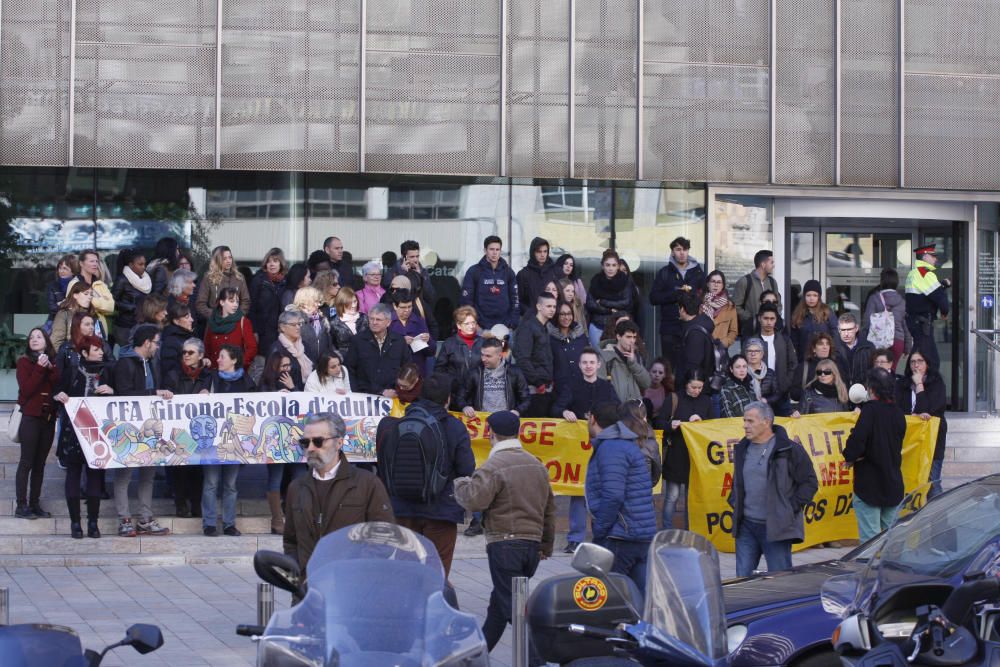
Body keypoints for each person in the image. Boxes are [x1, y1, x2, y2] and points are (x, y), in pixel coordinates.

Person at [454, 410, 555, 665]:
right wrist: (546, 544)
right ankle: (475, 657)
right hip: (531, 546)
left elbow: (475, 500)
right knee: (499, 606)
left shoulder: (493, 465)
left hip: (505, 544)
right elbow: (550, 509)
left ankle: (537, 661)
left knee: (513, 609)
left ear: (491, 434)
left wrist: (460, 484)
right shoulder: (536, 464)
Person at [375, 373, 475, 577]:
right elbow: (466, 468)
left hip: (402, 508)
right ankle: (432, 607)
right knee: (436, 573)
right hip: (441, 510)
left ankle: (406, 607)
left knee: (406, 571)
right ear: (447, 400)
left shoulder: (396, 424)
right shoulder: (455, 427)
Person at [283, 412, 395, 573]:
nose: (311, 448)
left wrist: (355, 571)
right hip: (309, 591)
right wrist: (298, 576)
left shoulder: (368, 484)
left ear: (339, 443)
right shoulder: (296, 488)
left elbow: (384, 540)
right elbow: (291, 541)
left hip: (351, 590)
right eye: (305, 442)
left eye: (318, 441)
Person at [729, 401, 818, 577]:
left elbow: (810, 483)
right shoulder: (742, 448)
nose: (745, 426)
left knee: (781, 582)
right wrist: (734, 501)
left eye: (750, 421)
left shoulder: (789, 449)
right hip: (746, 527)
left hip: (777, 528)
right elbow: (738, 481)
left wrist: (788, 508)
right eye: (744, 421)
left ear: (766, 422)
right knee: (742, 583)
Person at [551, 347, 619, 552]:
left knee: (605, 493)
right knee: (578, 493)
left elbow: (618, 411)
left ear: (598, 365)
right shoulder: (571, 386)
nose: (588, 366)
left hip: (604, 448)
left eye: (592, 362)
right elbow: (555, 409)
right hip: (578, 451)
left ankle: (605, 536)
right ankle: (575, 539)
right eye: (585, 363)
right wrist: (565, 411)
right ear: (580, 365)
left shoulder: (607, 387)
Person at [585, 401, 657, 591]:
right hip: (639, 534)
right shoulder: (625, 444)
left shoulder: (611, 448)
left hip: (622, 536)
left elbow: (613, 495)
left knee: (609, 598)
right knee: (640, 600)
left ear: (592, 419)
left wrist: (600, 529)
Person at [111, 324, 172, 537]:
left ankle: (145, 518)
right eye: (156, 342)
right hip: (129, 430)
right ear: (146, 342)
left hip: (149, 428)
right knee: (124, 475)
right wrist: (153, 392)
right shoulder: (125, 364)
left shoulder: (151, 363)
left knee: (148, 475)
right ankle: (124, 519)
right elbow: (125, 394)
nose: (157, 346)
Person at [53, 335, 111, 537]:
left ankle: (93, 523)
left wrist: (112, 390)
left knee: (95, 475)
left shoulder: (108, 371)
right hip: (73, 432)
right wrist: (59, 396)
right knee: (73, 474)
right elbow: (57, 390)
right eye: (96, 349)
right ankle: (75, 523)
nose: (101, 352)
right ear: (85, 353)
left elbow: (122, 397)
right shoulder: (72, 371)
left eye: (101, 349)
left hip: (99, 433)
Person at [844, 368, 906, 542]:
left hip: (869, 485)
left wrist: (850, 457)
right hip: (892, 483)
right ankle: (892, 569)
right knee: (891, 541)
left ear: (871, 389)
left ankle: (869, 569)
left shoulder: (869, 411)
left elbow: (857, 442)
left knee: (870, 542)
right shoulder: (898, 413)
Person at [202, 344, 254, 537]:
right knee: (211, 482)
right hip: (213, 441)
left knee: (230, 484)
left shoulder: (247, 381)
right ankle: (209, 523)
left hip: (235, 442)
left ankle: (229, 523)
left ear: (234, 360)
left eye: (222, 357)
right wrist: (202, 394)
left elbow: (257, 405)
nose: (218, 360)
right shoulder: (212, 378)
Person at [14, 328, 60, 520]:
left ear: (46, 342)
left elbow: (57, 384)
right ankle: (21, 505)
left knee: (40, 464)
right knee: (27, 462)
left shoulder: (53, 363)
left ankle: (35, 503)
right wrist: (40, 368)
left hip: (48, 419)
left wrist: (49, 368)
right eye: (31, 337)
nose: (34, 339)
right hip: (30, 418)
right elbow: (27, 390)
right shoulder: (24, 362)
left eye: (38, 337)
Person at [163, 338, 211, 519]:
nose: (186, 355)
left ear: (200, 355)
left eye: (190, 352)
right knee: (180, 468)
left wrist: (209, 394)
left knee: (198, 469)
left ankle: (196, 504)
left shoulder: (207, 376)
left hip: (199, 430)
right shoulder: (173, 374)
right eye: (184, 352)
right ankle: (181, 503)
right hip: (179, 430)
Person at [658, 369, 711, 529]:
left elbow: (713, 427)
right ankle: (666, 530)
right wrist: (671, 425)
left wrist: (702, 423)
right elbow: (659, 422)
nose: (696, 391)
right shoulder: (674, 398)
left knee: (691, 498)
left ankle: (690, 531)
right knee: (672, 496)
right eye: (693, 387)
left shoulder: (706, 401)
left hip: (696, 456)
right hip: (676, 454)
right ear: (686, 385)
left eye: (699, 388)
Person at [896, 346, 948, 499]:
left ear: (927, 364)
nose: (916, 365)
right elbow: (898, 410)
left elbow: (928, 410)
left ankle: (939, 522)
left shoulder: (937, 383)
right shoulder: (901, 385)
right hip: (908, 440)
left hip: (933, 440)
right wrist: (912, 416)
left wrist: (919, 385)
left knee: (932, 482)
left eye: (920, 361)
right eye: (912, 362)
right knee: (907, 481)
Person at [649, 237, 706, 370]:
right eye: (678, 249)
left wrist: (691, 299)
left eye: (685, 249)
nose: (682, 253)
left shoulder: (698, 272)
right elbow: (653, 298)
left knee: (691, 365)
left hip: (692, 325)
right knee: (669, 367)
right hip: (670, 327)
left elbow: (704, 295)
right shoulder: (664, 272)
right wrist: (675, 294)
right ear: (672, 252)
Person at [345, 303, 412, 397]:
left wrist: (399, 391)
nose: (374, 322)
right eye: (371, 319)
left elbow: (407, 368)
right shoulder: (358, 341)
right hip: (364, 396)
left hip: (393, 396)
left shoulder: (399, 342)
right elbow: (349, 370)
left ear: (388, 322)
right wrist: (357, 393)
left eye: (378, 319)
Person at [458, 338, 531, 417]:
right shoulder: (475, 373)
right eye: (482, 354)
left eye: (488, 356)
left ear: (499, 356)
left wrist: (518, 411)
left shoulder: (514, 372)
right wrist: (464, 407)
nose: (483, 359)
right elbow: (460, 396)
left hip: (507, 420)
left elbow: (526, 398)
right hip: (482, 423)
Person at [905, 244, 949, 368]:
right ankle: (923, 384)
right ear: (925, 257)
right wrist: (945, 312)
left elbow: (924, 292)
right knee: (932, 360)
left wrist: (942, 284)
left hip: (915, 321)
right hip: (922, 322)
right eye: (933, 256)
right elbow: (939, 297)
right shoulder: (925, 273)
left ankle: (909, 383)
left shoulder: (913, 273)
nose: (936, 259)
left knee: (918, 355)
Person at [512, 293, 557, 417]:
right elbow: (522, 358)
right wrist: (537, 382)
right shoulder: (528, 327)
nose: (552, 309)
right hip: (532, 389)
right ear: (539, 306)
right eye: (548, 306)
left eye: (554, 306)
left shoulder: (544, 328)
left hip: (544, 387)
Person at [461, 235, 519, 329]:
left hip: (505, 327)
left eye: (497, 249)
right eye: (491, 249)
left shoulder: (508, 272)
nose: (494, 253)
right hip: (481, 327)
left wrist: (512, 324)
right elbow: (466, 302)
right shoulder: (474, 271)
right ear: (485, 250)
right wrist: (475, 325)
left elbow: (515, 300)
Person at [753, 303, 798, 416]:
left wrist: (785, 384)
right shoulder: (752, 341)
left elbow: (793, 364)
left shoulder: (784, 340)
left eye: (772, 319)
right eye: (766, 318)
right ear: (759, 318)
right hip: (759, 396)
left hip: (782, 395)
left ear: (776, 320)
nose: (769, 322)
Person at [586, 249, 636, 348]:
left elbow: (625, 302)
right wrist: (610, 310)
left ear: (618, 266)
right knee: (598, 358)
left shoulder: (625, 281)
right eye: (607, 265)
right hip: (597, 325)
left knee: (616, 359)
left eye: (613, 265)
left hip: (619, 327)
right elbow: (590, 304)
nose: (610, 268)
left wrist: (603, 302)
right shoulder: (596, 281)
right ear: (602, 266)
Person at [434, 306, 484, 405]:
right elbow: (439, 370)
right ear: (459, 325)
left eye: (473, 322)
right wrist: (450, 385)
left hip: (478, 393)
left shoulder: (483, 342)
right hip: (454, 394)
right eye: (467, 323)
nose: (471, 326)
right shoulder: (449, 343)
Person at [599, 319, 651, 403]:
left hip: (634, 410)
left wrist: (633, 364)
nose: (632, 341)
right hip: (614, 410)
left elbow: (646, 383)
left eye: (634, 337)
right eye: (628, 337)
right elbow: (599, 386)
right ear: (618, 336)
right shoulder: (605, 356)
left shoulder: (636, 356)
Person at [203, 287, 257, 370]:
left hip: (234, 373)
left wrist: (239, 365)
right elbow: (207, 347)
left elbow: (252, 348)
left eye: (237, 302)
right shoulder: (213, 321)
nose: (235, 305)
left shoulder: (243, 322)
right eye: (231, 301)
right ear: (222, 302)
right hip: (215, 372)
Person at [195, 245, 251, 323]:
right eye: (224, 258)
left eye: (230, 257)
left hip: (235, 322)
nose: (228, 261)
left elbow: (246, 301)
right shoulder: (209, 278)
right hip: (215, 323)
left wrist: (237, 316)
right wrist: (216, 316)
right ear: (218, 260)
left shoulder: (239, 278)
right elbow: (200, 304)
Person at [249, 248, 287, 359]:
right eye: (269, 261)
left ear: (281, 263)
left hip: (281, 330)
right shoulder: (258, 280)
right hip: (263, 331)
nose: (271, 264)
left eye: (275, 261)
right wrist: (254, 330)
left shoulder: (285, 281)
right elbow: (252, 307)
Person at [733, 249, 781, 337]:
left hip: (770, 331)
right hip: (751, 331)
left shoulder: (772, 282)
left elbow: (778, 304)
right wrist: (752, 319)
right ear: (763, 264)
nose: (773, 266)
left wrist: (774, 318)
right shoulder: (745, 281)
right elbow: (736, 306)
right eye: (771, 262)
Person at [67, 249, 115, 336]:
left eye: (96, 261)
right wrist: (101, 301)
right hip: (80, 330)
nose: (95, 264)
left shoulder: (100, 284)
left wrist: (89, 300)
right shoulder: (74, 283)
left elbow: (110, 307)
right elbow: (72, 307)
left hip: (99, 330)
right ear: (81, 264)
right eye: (91, 261)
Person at [864, 268, 908, 362]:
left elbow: (867, 322)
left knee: (878, 370)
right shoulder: (902, 302)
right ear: (896, 282)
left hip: (878, 341)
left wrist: (864, 342)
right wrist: (907, 347)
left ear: (881, 281)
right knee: (891, 371)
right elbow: (906, 326)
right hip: (898, 341)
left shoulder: (874, 298)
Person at [789, 280, 838, 363]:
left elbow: (835, 335)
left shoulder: (827, 312)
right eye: (808, 295)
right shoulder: (798, 315)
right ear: (804, 296)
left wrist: (833, 356)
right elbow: (794, 342)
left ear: (819, 297)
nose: (811, 298)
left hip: (825, 360)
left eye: (815, 295)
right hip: (804, 361)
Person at [111, 248, 153, 346]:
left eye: (144, 264)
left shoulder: (146, 280)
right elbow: (112, 301)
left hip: (141, 324)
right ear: (130, 265)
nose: (144, 267)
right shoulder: (122, 280)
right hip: (125, 326)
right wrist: (131, 307)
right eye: (140, 264)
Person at [390, 290, 436, 375]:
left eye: (409, 306)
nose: (407, 310)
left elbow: (432, 351)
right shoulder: (387, 322)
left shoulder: (419, 321)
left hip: (417, 370)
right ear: (395, 306)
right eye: (403, 307)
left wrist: (428, 340)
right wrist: (401, 342)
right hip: (395, 371)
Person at [51, 282, 105, 351]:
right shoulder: (64, 314)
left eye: (91, 294)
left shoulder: (93, 314)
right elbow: (56, 342)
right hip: (72, 358)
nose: (89, 297)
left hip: (92, 358)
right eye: (86, 294)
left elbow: (100, 339)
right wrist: (66, 359)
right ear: (75, 295)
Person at [677, 291, 718, 382]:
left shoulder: (695, 333)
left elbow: (693, 365)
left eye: (678, 308)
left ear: (682, 309)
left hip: (694, 386)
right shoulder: (701, 323)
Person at [381, 240, 437, 305]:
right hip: (400, 311)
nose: (416, 260)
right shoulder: (395, 270)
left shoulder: (422, 271)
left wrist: (421, 277)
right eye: (412, 257)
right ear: (403, 256)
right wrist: (403, 273)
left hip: (418, 312)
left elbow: (431, 297)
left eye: (417, 256)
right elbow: (387, 291)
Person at [549, 300, 588, 386]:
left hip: (582, 385)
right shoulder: (550, 338)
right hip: (560, 387)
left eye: (569, 313)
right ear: (556, 315)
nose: (566, 317)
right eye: (562, 314)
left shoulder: (581, 336)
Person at [516, 236, 557, 317]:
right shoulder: (523, 274)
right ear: (533, 252)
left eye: (545, 251)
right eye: (539, 251)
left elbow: (559, 296)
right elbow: (518, 301)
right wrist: (531, 313)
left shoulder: (554, 272)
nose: (542, 255)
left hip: (552, 320)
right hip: (531, 320)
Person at [272, 310, 312, 389]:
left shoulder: (305, 346)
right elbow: (272, 379)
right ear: (282, 327)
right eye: (293, 325)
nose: (298, 327)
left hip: (308, 394)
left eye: (299, 324)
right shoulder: (276, 349)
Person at [835, 312, 875, 390]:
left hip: (863, 392)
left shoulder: (868, 347)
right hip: (840, 393)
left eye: (849, 329)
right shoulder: (833, 348)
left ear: (856, 328)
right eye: (843, 330)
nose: (846, 334)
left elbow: (873, 371)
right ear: (838, 330)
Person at [793, 332, 837, 402]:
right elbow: (794, 394)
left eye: (827, 344)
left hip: (833, 409)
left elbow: (842, 391)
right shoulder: (803, 367)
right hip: (810, 410)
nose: (825, 347)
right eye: (821, 344)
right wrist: (812, 391)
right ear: (813, 349)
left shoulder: (836, 366)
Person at [700, 270, 737, 349]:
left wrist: (724, 343)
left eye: (719, 282)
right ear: (707, 284)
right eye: (713, 281)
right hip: (702, 347)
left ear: (723, 285)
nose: (716, 285)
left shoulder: (730, 306)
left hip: (720, 349)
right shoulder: (699, 304)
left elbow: (733, 331)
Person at [160, 301, 196, 379]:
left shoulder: (188, 337)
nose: (192, 320)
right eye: (187, 317)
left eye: (191, 316)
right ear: (176, 321)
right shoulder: (171, 341)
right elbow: (169, 369)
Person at [328, 286, 367, 358]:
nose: (353, 305)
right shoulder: (334, 323)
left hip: (364, 359)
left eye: (355, 301)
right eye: (349, 303)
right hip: (345, 361)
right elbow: (332, 346)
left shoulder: (364, 318)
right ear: (341, 304)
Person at [742, 338, 779, 406]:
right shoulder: (741, 372)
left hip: (766, 410)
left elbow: (776, 394)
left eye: (756, 351)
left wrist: (766, 400)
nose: (753, 354)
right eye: (749, 351)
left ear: (762, 354)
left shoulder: (770, 373)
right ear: (745, 353)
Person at [46, 254, 79, 321]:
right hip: (55, 320)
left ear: (73, 271)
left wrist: (60, 304)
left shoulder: (78, 285)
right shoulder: (53, 286)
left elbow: (78, 307)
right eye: (60, 268)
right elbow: (52, 307)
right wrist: (67, 304)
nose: (61, 271)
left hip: (74, 321)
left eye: (65, 268)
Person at [644, 357, 675, 423]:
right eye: (654, 372)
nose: (657, 375)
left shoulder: (667, 389)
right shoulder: (642, 387)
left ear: (664, 375)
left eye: (660, 373)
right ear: (649, 372)